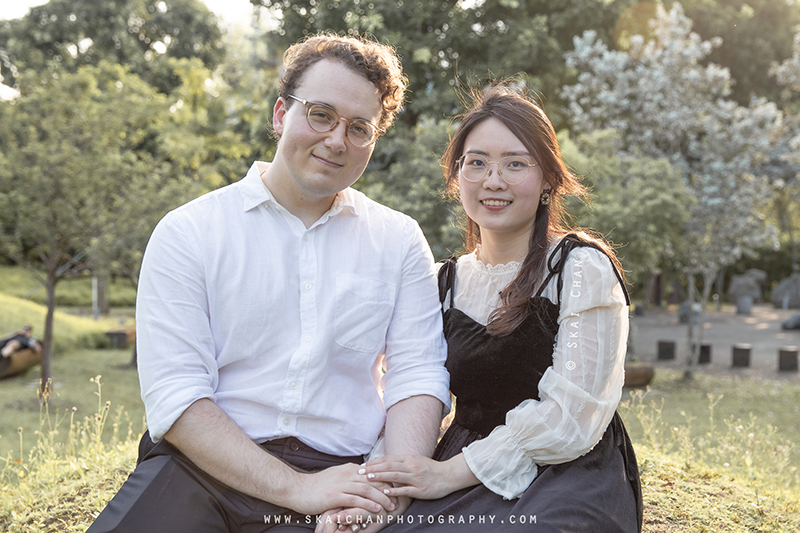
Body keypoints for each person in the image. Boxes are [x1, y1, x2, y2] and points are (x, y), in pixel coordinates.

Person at [87, 32, 450, 533]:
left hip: (339, 474)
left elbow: (417, 376)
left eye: (359, 127)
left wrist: (383, 494)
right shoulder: (189, 232)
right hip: (201, 468)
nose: (336, 139)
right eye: (320, 114)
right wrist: (296, 490)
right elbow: (177, 395)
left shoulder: (400, 240)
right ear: (282, 114)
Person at [356, 83, 643, 532]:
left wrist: (446, 474)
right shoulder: (441, 282)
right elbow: (410, 393)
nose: (493, 180)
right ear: (456, 178)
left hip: (566, 473)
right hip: (459, 460)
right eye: (477, 163)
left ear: (548, 178)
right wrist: (377, 490)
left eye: (515, 163)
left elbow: (573, 417)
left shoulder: (579, 268)